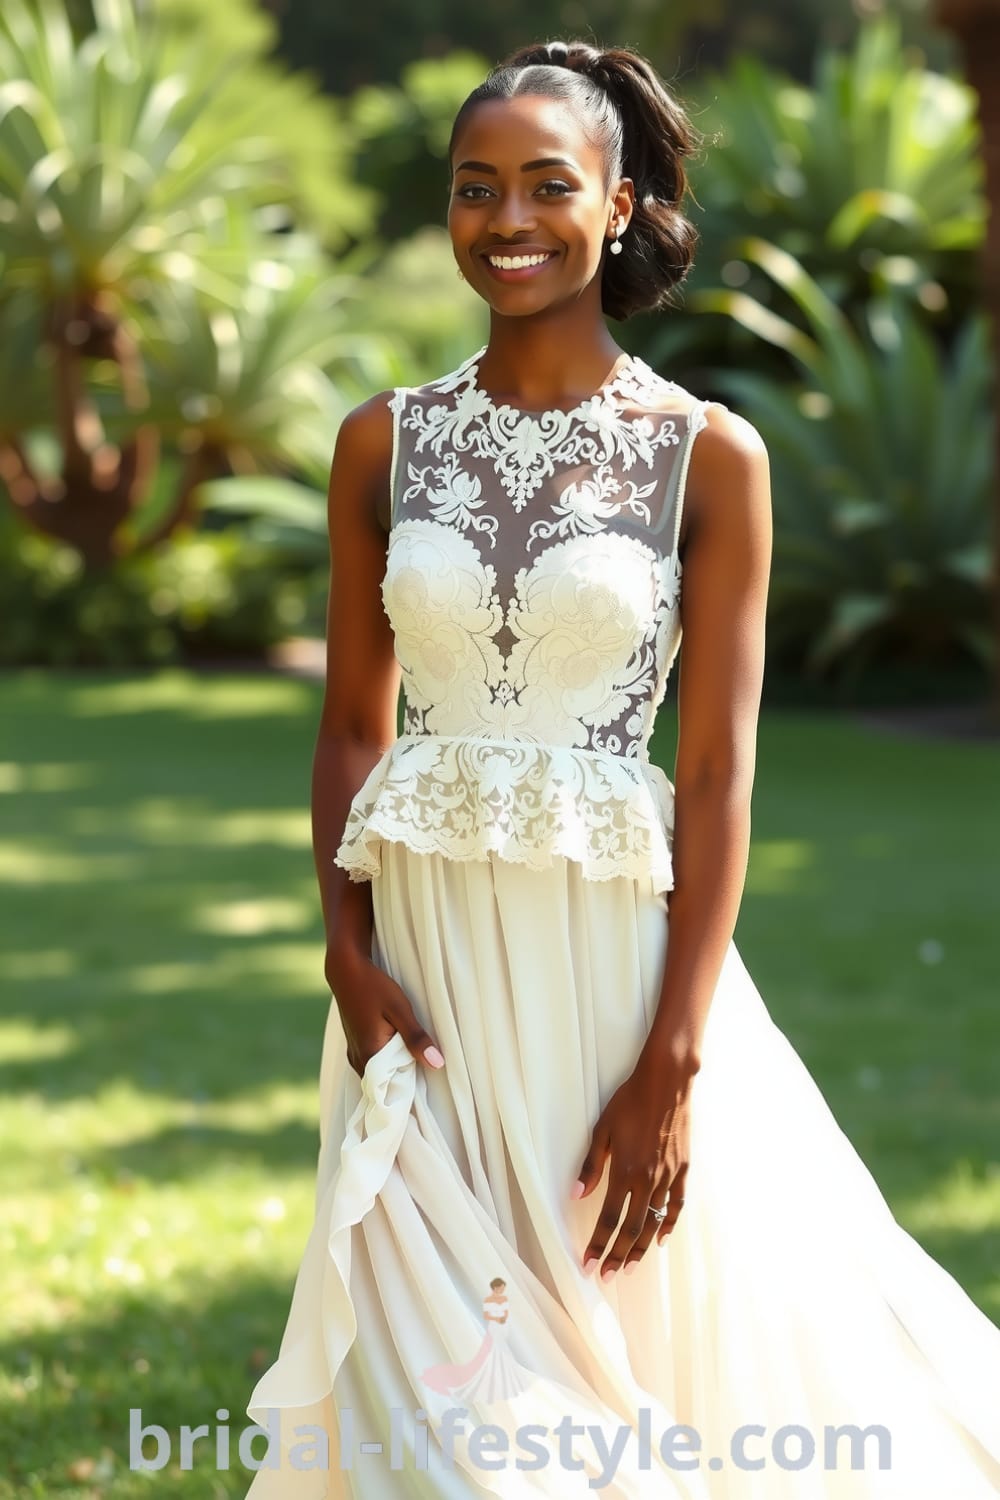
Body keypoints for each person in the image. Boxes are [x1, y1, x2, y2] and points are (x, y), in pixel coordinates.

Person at [244, 37, 1000, 1500]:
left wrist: (674, 1057)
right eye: (475, 189)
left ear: (619, 203)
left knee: (634, 1347)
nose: (506, 220)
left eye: (545, 186)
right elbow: (352, 726)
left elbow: (716, 775)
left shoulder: (708, 455)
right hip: (422, 968)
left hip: (613, 973)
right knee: (435, 1368)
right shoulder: (380, 443)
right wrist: (346, 955)